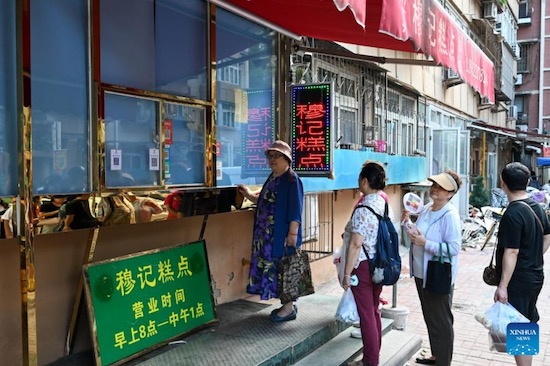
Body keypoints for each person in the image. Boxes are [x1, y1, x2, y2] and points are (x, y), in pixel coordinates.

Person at [238, 140, 304, 322]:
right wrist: (248, 195)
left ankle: (289, 308)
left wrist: (292, 235)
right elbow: (264, 201)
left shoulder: (292, 180)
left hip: (280, 236)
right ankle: (286, 305)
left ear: (287, 159)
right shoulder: (273, 177)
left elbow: (295, 210)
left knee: (285, 270)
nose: (272, 160)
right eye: (270, 156)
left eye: (277, 156)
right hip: (266, 237)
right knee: (274, 270)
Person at [402, 170, 462, 366]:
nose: (435, 189)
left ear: (451, 193)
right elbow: (418, 233)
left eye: (441, 187)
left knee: (441, 320)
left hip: (438, 275)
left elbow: (453, 248)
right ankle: (436, 355)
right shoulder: (428, 208)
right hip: (422, 273)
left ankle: (443, 361)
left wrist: (425, 243)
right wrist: (407, 223)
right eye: (434, 184)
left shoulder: (450, 215)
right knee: (430, 316)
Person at [494, 162, 550, 366]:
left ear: (503, 183)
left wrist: (502, 286)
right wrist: (534, 256)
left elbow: (512, 251)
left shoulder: (513, 213)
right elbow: (547, 236)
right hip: (535, 276)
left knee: (519, 328)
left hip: (518, 280)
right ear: (527, 182)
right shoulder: (537, 207)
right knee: (526, 323)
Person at [341, 161, 388, 366]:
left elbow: (356, 243)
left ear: (365, 181)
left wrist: (346, 272)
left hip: (362, 266)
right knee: (374, 310)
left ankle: (370, 361)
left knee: (366, 315)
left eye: (360, 179)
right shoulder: (383, 203)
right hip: (379, 264)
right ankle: (374, 354)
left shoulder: (363, 207)